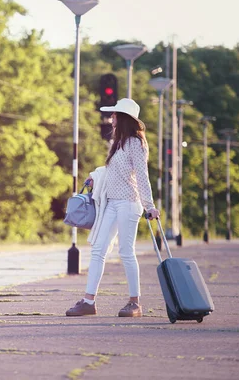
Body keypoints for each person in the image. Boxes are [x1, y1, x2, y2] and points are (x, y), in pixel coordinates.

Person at [66, 98, 160, 318]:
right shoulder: (118, 142)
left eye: (115, 114)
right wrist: (94, 177)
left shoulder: (136, 143)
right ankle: (89, 302)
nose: (111, 118)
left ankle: (134, 303)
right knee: (98, 250)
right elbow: (112, 171)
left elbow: (142, 175)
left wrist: (150, 205)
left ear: (123, 118)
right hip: (111, 203)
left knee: (126, 252)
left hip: (129, 203)